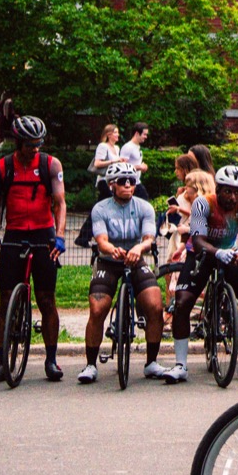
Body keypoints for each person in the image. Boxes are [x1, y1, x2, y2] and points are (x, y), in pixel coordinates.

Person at [162, 165, 238, 383]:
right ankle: (180, 364)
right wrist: (217, 252)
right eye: (228, 191)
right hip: (201, 253)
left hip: (229, 254)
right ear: (218, 189)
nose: (233, 197)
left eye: (237, 192)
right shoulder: (204, 203)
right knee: (182, 302)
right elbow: (199, 240)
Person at [0, 116, 68, 384]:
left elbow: (60, 202)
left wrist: (60, 236)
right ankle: (1, 362)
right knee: (6, 298)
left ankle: (51, 360)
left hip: (44, 234)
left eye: (39, 144)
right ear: (18, 142)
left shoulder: (50, 165)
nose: (35, 149)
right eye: (31, 144)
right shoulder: (1, 167)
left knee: (46, 299)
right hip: (15, 234)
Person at [79, 163, 166, 384]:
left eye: (132, 181)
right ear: (111, 185)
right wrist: (112, 250)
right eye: (122, 181)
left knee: (155, 306)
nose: (128, 185)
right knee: (98, 309)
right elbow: (101, 241)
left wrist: (138, 248)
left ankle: (151, 363)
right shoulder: (100, 208)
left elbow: (149, 238)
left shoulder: (145, 207)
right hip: (109, 261)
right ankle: (90, 364)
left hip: (136, 259)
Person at [91, 124, 123, 200]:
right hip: (104, 180)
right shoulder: (103, 146)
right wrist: (113, 161)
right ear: (109, 135)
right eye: (115, 132)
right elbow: (97, 163)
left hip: (114, 181)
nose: (118, 135)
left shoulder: (117, 148)